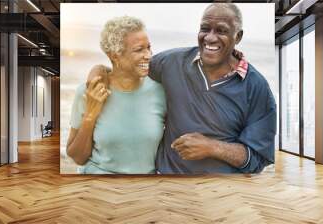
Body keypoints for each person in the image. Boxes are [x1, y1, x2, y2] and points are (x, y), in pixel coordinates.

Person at [91, 3, 277, 174]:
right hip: (166, 182)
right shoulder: (172, 62)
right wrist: (98, 70)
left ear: (238, 36)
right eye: (205, 29)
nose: (210, 37)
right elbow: (128, 68)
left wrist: (212, 147)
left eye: (221, 31)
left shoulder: (257, 88)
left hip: (222, 193)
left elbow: (259, 158)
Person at [66, 16, 166, 174]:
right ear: (115, 56)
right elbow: (78, 157)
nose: (148, 55)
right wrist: (90, 115)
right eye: (139, 49)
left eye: (149, 47)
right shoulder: (89, 92)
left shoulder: (160, 91)